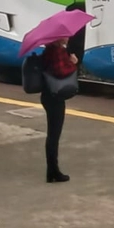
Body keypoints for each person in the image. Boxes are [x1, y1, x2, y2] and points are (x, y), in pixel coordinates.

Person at [35, 39, 78, 183]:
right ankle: (54, 171)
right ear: (60, 37)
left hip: (48, 95)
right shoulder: (57, 51)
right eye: (65, 35)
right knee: (54, 135)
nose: (68, 37)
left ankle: (52, 171)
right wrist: (72, 63)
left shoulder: (48, 50)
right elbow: (60, 71)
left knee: (52, 134)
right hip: (55, 97)